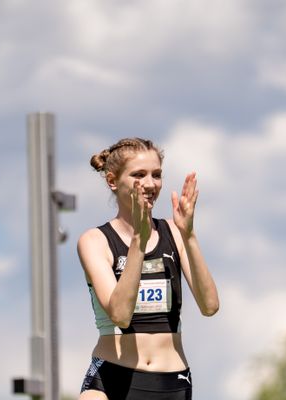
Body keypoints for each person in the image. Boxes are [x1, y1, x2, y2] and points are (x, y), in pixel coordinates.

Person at [77, 138, 220, 399]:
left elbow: (209, 306)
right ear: (112, 180)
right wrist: (138, 244)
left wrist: (189, 235)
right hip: (111, 379)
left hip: (171, 382)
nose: (150, 184)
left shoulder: (174, 233)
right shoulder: (95, 241)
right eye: (139, 175)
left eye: (157, 175)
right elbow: (120, 314)